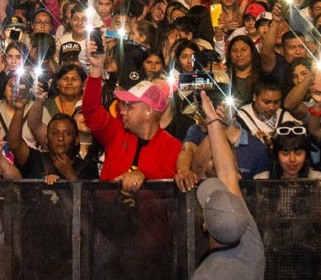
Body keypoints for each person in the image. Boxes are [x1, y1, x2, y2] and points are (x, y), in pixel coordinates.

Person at [191, 92, 264, 280]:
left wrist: (212, 121)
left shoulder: (207, 275)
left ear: (205, 225)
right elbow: (228, 175)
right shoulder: (252, 245)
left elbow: (226, 176)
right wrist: (214, 121)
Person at [83, 52, 181, 190]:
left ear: (149, 111)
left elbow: (167, 192)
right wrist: (96, 69)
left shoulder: (172, 147)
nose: (122, 110)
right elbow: (91, 111)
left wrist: (144, 176)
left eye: (130, 106)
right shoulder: (116, 132)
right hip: (107, 211)